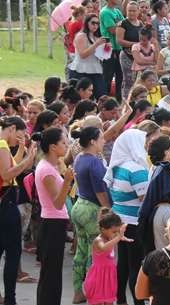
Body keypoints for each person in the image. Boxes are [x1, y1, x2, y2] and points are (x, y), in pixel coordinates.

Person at [0, 117, 37, 305]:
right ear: (12, 128)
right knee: (13, 253)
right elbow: (8, 174)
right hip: (5, 203)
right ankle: (10, 300)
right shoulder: (0, 145)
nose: (19, 140)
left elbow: (6, 167)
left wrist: (23, 151)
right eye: (19, 136)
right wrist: (29, 160)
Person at [104, 125, 158, 305]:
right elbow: (145, 199)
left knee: (124, 265)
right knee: (135, 266)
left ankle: (120, 300)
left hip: (120, 221)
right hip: (134, 223)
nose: (145, 146)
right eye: (143, 142)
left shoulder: (119, 167)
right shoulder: (136, 169)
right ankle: (138, 301)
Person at [33, 128, 74, 305]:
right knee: (50, 275)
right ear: (52, 147)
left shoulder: (51, 165)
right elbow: (57, 203)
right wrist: (66, 181)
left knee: (52, 273)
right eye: (63, 143)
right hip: (51, 223)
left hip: (54, 222)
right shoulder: (47, 170)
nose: (67, 146)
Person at [71, 126, 111, 304]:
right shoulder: (93, 162)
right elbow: (100, 191)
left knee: (81, 250)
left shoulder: (80, 157)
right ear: (93, 141)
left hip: (79, 205)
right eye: (101, 138)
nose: (104, 141)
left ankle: (78, 291)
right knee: (93, 254)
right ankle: (92, 292)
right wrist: (108, 209)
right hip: (92, 209)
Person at [138, 135, 170, 254]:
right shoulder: (167, 170)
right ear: (166, 152)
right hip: (167, 213)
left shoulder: (158, 168)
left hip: (158, 212)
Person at [83, 209, 132, 305]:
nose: (115, 234)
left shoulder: (110, 237)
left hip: (109, 276)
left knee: (109, 300)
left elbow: (118, 236)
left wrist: (122, 237)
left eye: (117, 232)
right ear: (103, 229)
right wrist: (119, 237)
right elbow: (104, 248)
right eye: (114, 232)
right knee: (96, 300)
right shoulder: (98, 240)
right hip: (98, 277)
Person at [70, 13, 107, 99]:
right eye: (93, 23)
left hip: (96, 69)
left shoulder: (97, 37)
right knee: (80, 97)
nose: (95, 25)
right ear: (87, 23)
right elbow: (83, 54)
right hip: (81, 70)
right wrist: (96, 44)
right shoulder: (81, 36)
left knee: (102, 95)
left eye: (97, 23)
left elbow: (100, 56)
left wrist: (106, 50)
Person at [100, 0, 125, 101]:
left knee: (120, 74)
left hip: (119, 47)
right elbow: (112, 30)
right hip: (109, 47)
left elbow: (124, 26)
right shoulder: (105, 12)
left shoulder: (117, 11)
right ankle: (104, 99)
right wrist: (120, 27)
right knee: (108, 75)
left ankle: (119, 98)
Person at [116, 1, 144, 99]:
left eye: (133, 11)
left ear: (138, 11)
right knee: (128, 80)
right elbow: (119, 41)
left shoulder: (141, 23)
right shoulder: (122, 23)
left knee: (139, 79)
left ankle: (137, 100)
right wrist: (135, 45)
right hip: (127, 55)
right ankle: (126, 102)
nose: (131, 13)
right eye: (129, 11)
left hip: (139, 56)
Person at [64, 6, 86, 79]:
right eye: (84, 15)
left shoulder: (72, 23)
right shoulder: (79, 24)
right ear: (79, 15)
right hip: (75, 50)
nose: (84, 16)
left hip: (71, 49)